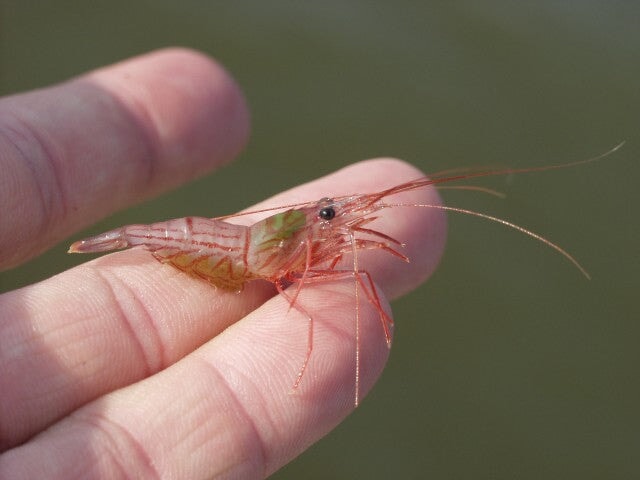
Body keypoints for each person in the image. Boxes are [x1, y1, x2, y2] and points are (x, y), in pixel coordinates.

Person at [0, 48, 446, 479]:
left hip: (241, 248)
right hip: (216, 247)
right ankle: (124, 238)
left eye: (327, 212)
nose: (333, 217)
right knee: (360, 273)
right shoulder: (286, 243)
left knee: (359, 263)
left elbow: (325, 233)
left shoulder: (310, 229)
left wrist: (333, 220)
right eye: (327, 212)